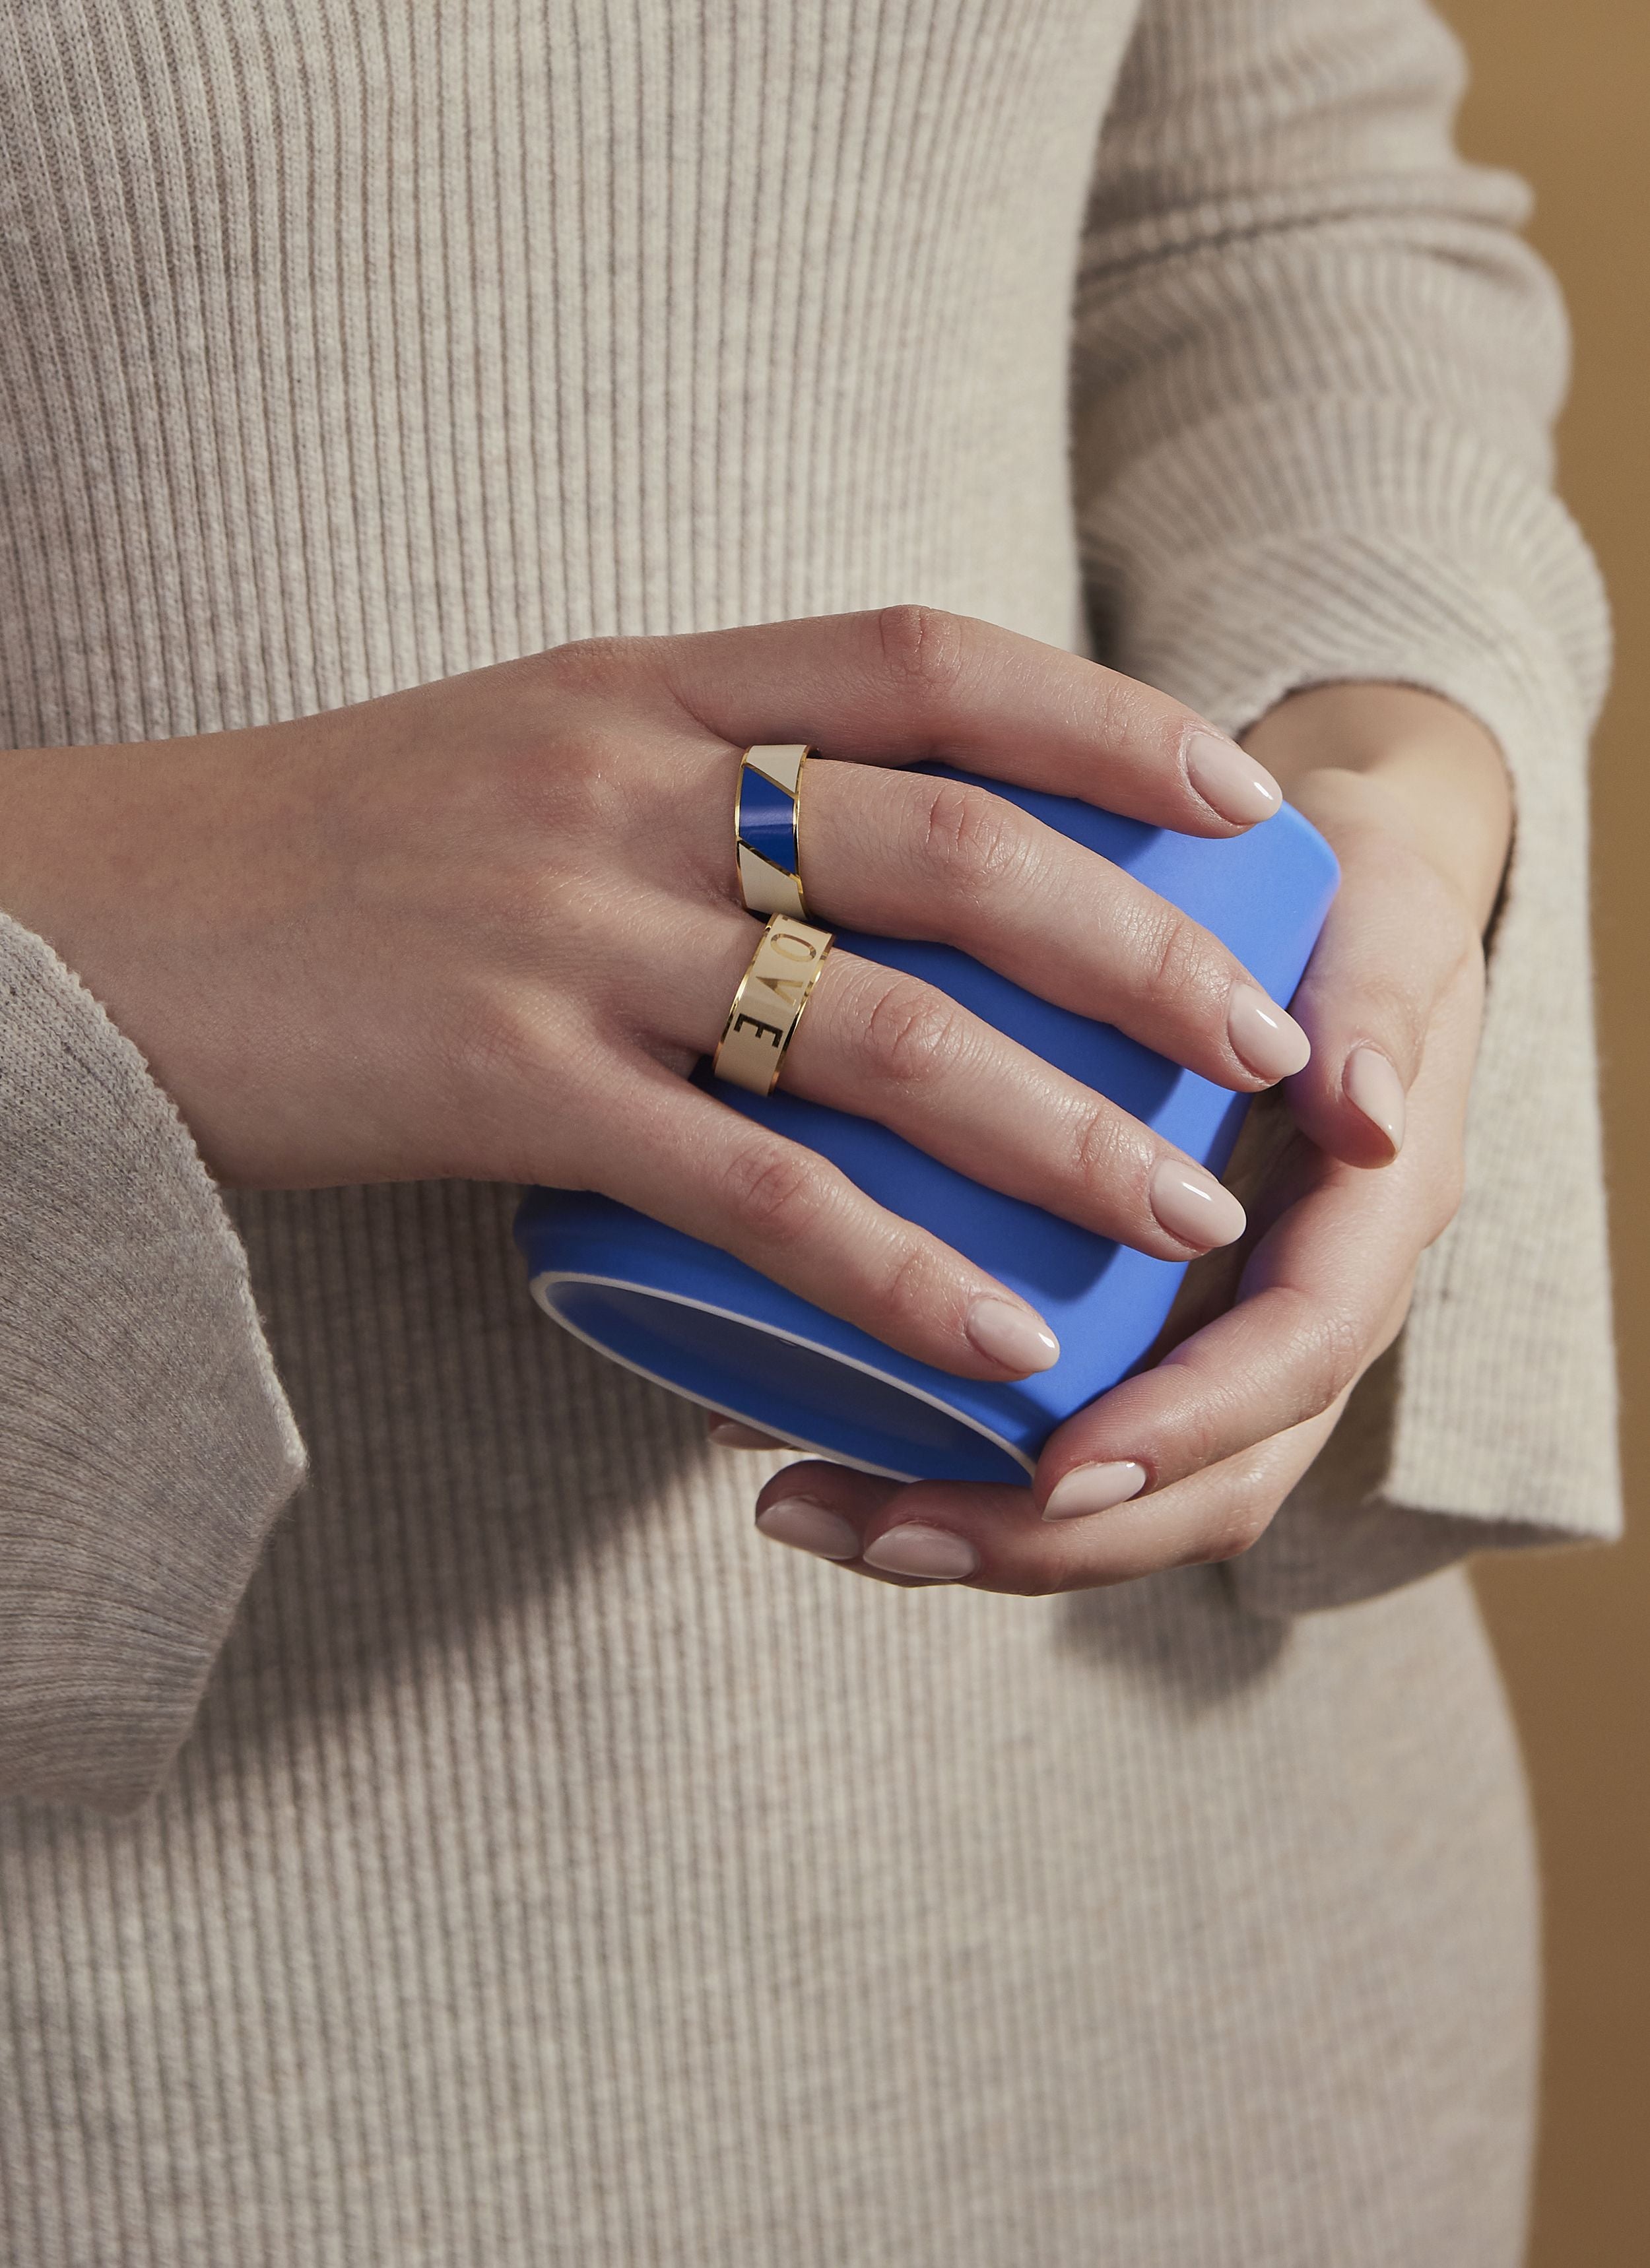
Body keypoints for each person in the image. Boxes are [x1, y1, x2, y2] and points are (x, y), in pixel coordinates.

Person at [0, 1, 1617, 2262]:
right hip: (135, 1968)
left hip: (1188, 1889)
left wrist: (1390, 804)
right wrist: (109, 892)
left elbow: (1265, 210)